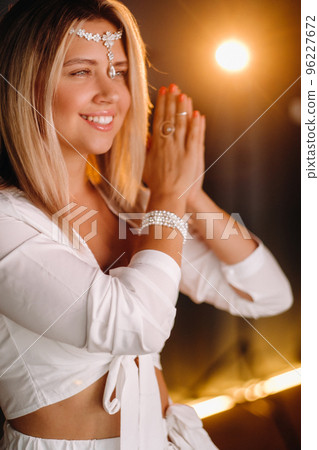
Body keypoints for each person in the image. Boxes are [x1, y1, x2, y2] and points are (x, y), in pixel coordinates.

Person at [0, 0, 293, 448]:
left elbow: (269, 296)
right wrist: (169, 198)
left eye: (118, 71)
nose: (111, 93)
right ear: (25, 83)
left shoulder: (129, 203)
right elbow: (134, 324)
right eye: (81, 72)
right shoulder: (8, 220)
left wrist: (188, 190)